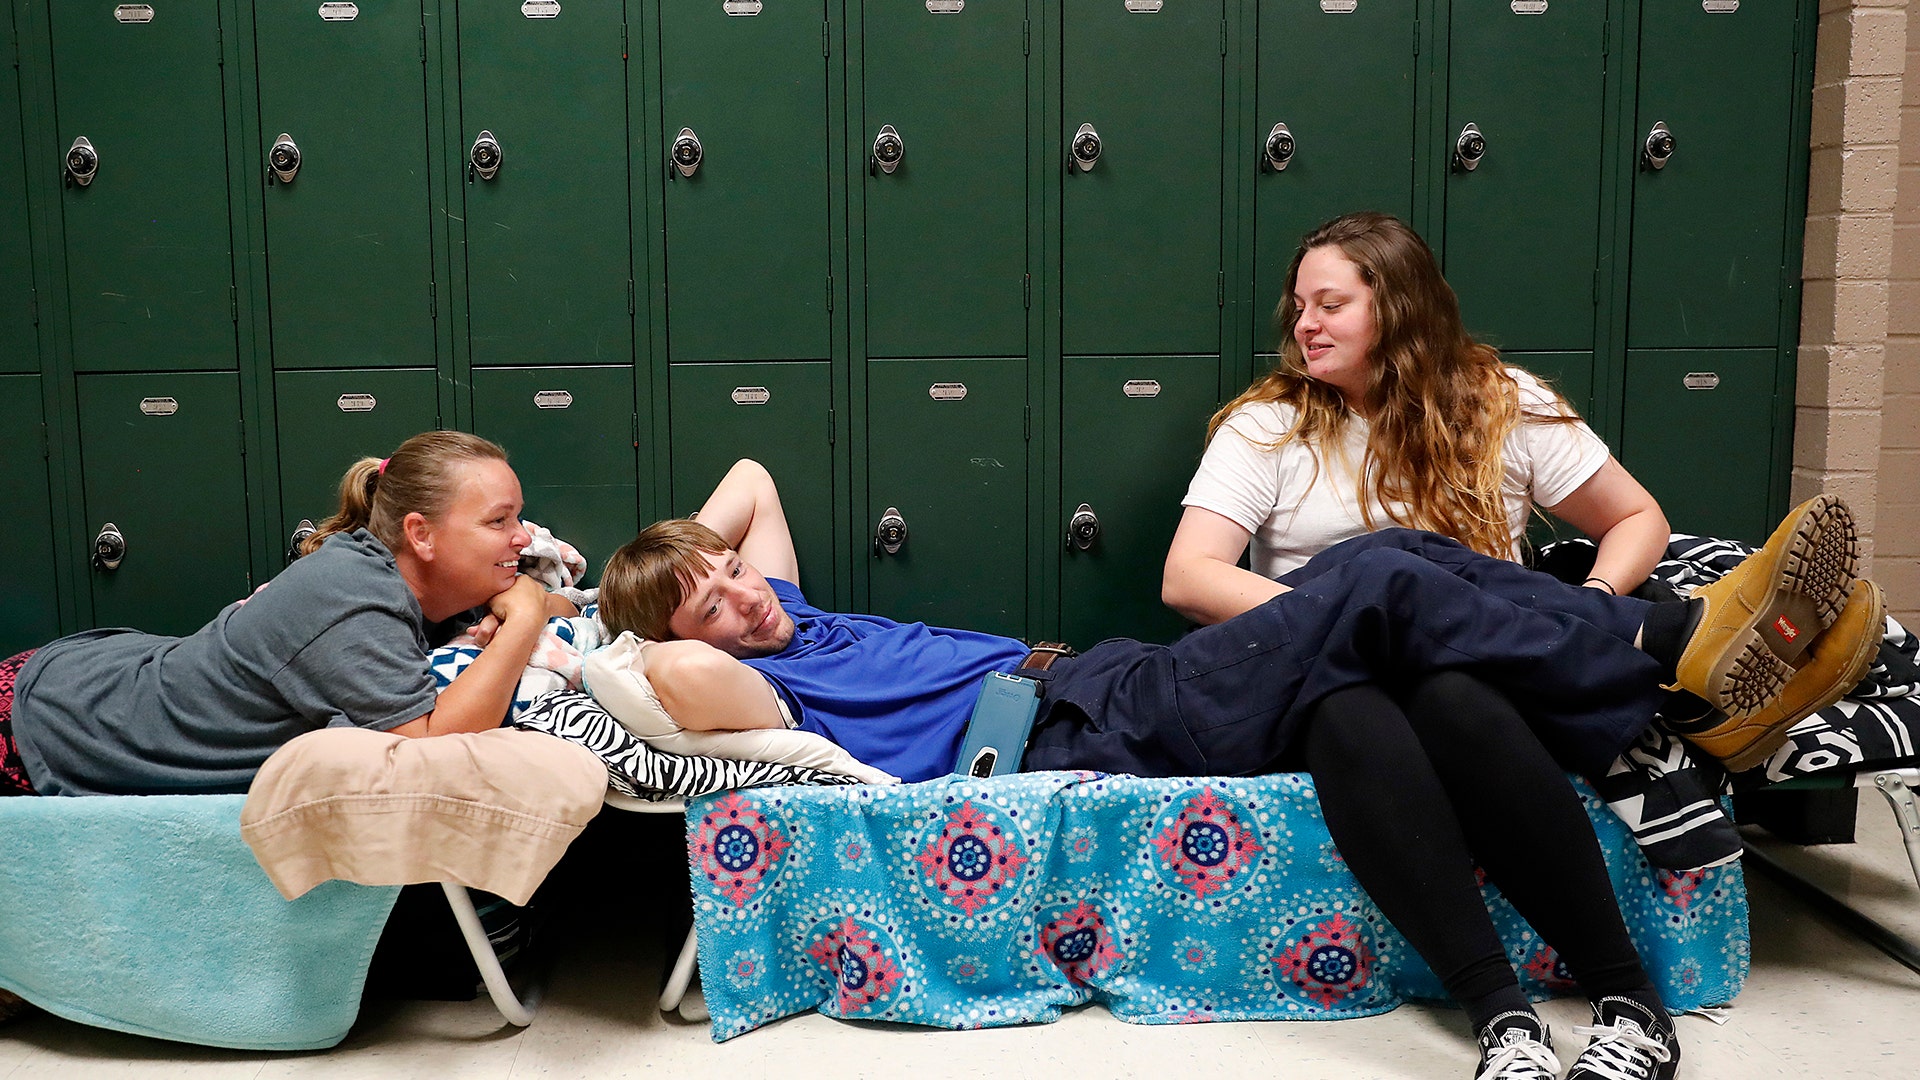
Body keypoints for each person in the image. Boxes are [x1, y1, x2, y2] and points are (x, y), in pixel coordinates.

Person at [595, 454, 1863, 1079]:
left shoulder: (796, 608)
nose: (736, 597)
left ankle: (1552, 993)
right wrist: (581, 619)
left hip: (1090, 677)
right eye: (705, 603)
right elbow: (660, 676)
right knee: (1368, 572)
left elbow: (751, 485)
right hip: (1065, 730)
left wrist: (692, 553)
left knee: (1399, 652)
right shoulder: (758, 681)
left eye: (731, 571)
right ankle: (1671, 652)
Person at [1157, 212, 1876, 1080]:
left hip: (1481, 661)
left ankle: (1632, 1008)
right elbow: (1190, 578)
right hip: (1323, 660)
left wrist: (1598, 592)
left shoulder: (1505, 402)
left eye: (1331, 303)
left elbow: (1637, 516)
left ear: (1400, 307)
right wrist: (1349, 617)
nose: (1304, 324)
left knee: (1454, 697)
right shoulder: (1271, 424)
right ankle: (1505, 1017)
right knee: (1360, 671)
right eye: (1299, 305)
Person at [0, 431, 574, 798]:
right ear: (420, 534)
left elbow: (560, 599)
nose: (523, 538)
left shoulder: (423, 572)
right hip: (50, 728)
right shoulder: (352, 601)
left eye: (518, 518)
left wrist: (528, 599)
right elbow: (432, 741)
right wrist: (521, 622)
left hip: (99, 678)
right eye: (499, 522)